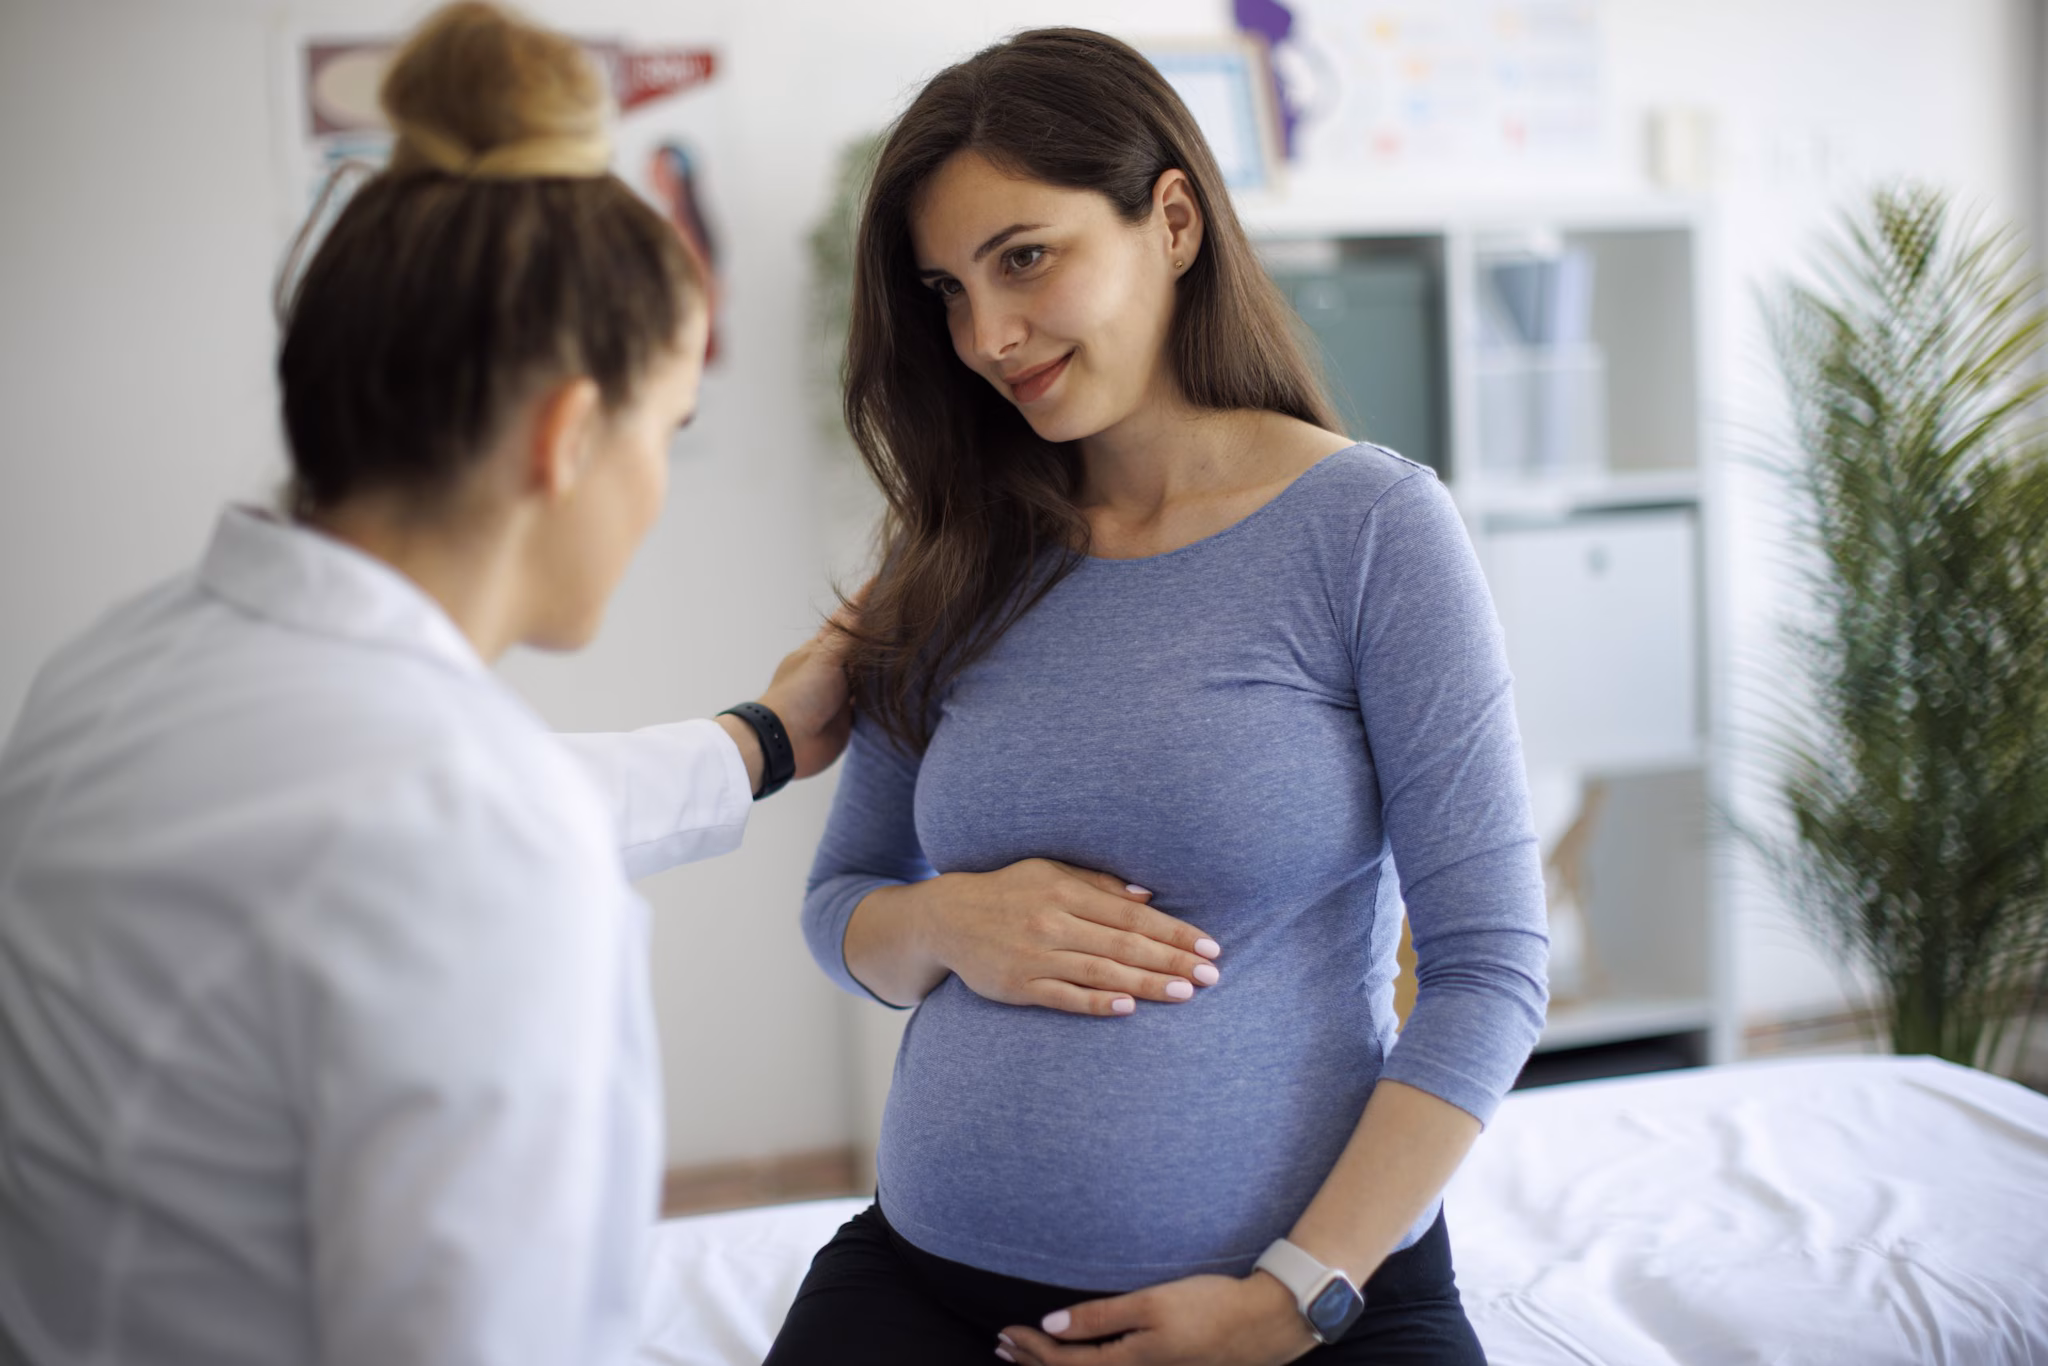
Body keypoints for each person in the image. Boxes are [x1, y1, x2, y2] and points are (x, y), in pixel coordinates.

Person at [0, 6, 851, 1364]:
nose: (653, 491)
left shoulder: (113, 672)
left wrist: (763, 738)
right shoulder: (479, 848)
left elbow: (358, 821)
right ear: (568, 435)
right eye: (665, 429)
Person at [768, 28, 1550, 1366]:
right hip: (928, 1284)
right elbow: (843, 908)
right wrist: (954, 920)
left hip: (1302, 1299)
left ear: (1172, 218)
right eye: (947, 291)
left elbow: (1490, 968)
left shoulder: (1369, 528)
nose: (987, 334)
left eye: (1026, 257)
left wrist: (1293, 1294)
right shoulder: (952, 552)